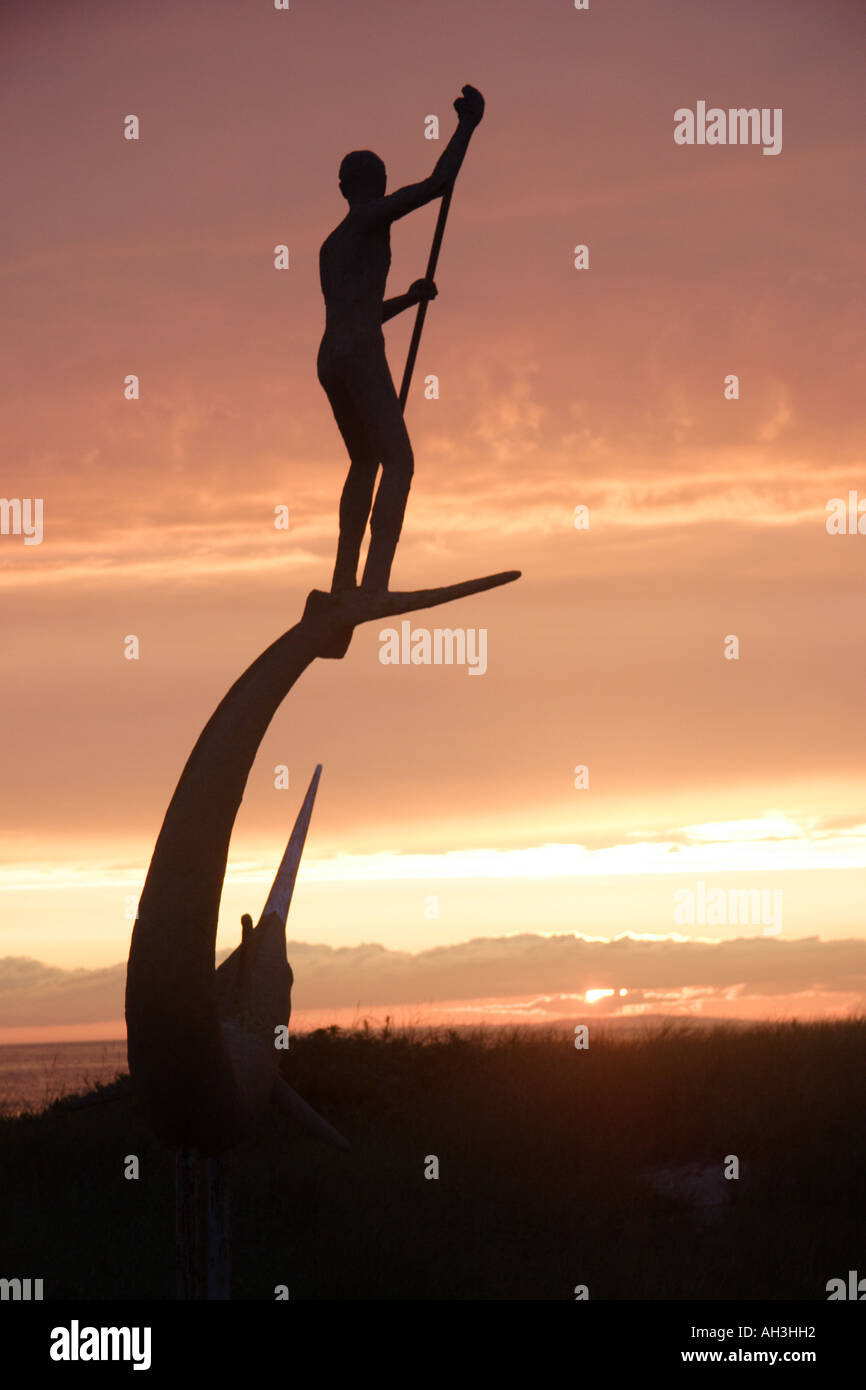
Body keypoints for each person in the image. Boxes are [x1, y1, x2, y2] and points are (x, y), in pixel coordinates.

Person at [317, 84, 485, 593]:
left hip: (331, 357)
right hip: (361, 356)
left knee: (364, 460)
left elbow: (357, 314)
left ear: (342, 187)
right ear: (378, 184)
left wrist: (410, 299)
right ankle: (374, 584)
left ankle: (345, 581)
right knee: (400, 461)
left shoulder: (331, 245)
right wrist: (467, 126)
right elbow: (437, 184)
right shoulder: (372, 217)